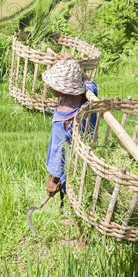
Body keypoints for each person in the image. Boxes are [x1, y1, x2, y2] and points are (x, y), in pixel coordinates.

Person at [42, 56, 97, 198]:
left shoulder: (62, 120)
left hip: (72, 167)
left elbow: (59, 154)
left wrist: (52, 182)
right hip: (89, 158)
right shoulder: (89, 95)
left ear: (62, 90)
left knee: (70, 195)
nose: (49, 87)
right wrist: (73, 67)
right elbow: (88, 80)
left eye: (53, 85)